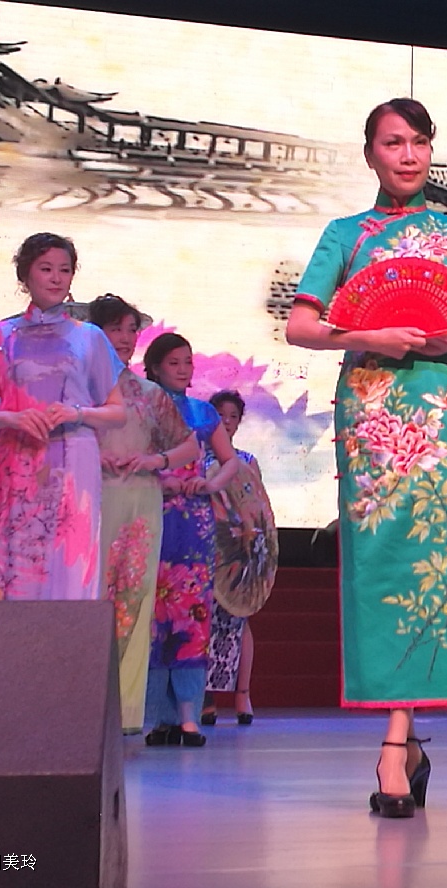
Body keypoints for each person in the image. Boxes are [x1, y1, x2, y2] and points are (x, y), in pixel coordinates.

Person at [285, 97, 447, 817]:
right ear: (370, 152)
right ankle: (407, 739)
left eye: (419, 142)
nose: (408, 155)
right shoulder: (346, 234)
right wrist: (367, 336)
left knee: (428, 553)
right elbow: (301, 325)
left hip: (432, 406)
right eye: (393, 142)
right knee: (375, 560)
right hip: (368, 408)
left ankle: (395, 743)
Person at [0, 233, 125, 600]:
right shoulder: (2, 335)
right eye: (46, 269)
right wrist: (11, 418)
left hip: (74, 465)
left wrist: (77, 412)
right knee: (15, 573)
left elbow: (117, 412)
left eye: (64, 270)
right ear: (25, 275)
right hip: (16, 464)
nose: (56, 278)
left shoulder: (90, 337)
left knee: (69, 569)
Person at [88, 294, 200, 733]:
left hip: (140, 504)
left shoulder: (149, 394)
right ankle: (82, 703)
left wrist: (155, 461)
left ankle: (126, 710)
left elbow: (188, 446)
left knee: (131, 603)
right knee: (89, 599)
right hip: (91, 500)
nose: (124, 338)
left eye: (131, 330)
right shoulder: (78, 390)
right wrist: (89, 457)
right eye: (115, 329)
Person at [142, 332, 240, 747]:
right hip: (152, 515)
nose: (183, 370)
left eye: (188, 362)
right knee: (152, 616)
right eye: (174, 363)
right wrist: (158, 481)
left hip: (194, 524)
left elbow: (229, 460)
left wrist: (210, 484)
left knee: (191, 615)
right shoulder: (142, 408)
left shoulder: (202, 412)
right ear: (154, 368)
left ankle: (188, 717)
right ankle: (157, 717)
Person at [202, 389, 265, 727]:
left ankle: (243, 693)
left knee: (239, 617)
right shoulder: (197, 457)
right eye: (220, 416)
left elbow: (257, 506)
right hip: (204, 544)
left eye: (233, 417)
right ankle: (204, 694)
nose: (226, 422)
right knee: (202, 618)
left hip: (238, 549)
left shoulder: (247, 460)